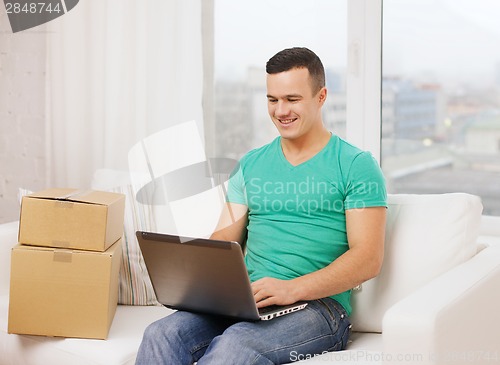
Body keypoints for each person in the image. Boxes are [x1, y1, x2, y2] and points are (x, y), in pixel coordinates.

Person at [135, 47, 387, 365]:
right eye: (273, 99)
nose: (281, 111)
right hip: (247, 300)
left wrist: (292, 289)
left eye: (292, 99)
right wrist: (193, 276)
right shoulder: (251, 164)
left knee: (235, 346)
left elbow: (368, 259)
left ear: (321, 97)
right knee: (161, 334)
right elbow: (224, 239)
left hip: (319, 309)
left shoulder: (356, 165)